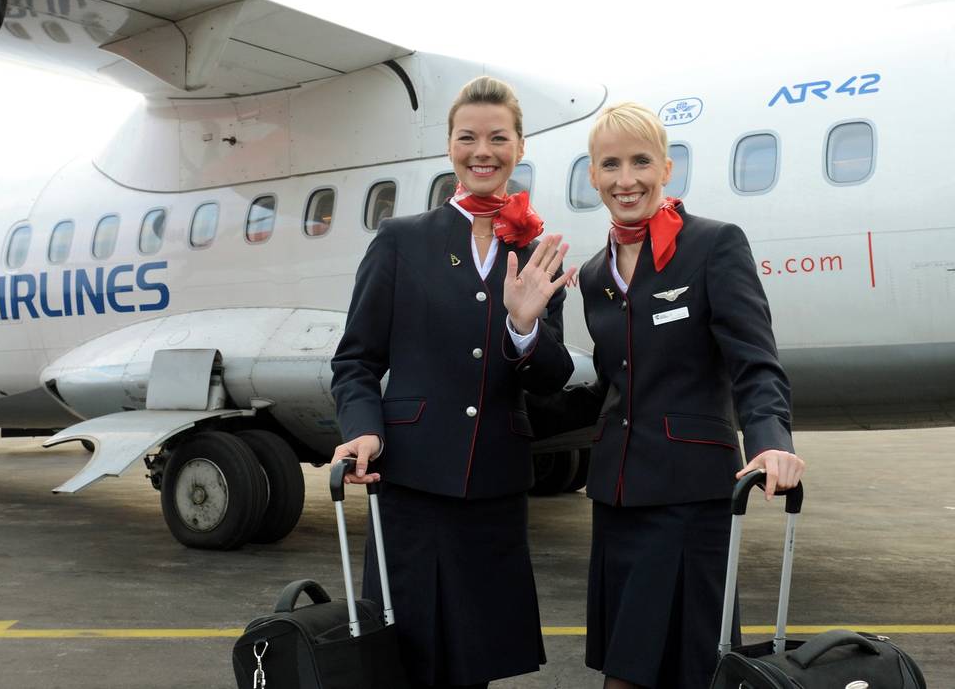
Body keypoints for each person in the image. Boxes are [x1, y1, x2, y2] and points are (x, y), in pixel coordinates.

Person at [329, 75, 577, 689]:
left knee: (475, 665)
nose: (482, 151)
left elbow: (552, 378)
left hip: (494, 488)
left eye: (498, 138)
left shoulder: (539, 252)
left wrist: (525, 326)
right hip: (412, 484)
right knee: (404, 662)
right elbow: (356, 360)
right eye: (468, 137)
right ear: (450, 147)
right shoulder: (402, 240)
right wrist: (364, 430)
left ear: (520, 147)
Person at [571, 102, 806, 689]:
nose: (626, 179)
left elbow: (754, 361)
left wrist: (771, 441)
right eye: (610, 165)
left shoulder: (713, 245)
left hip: (689, 494)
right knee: (628, 668)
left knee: (684, 671)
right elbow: (611, 384)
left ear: (667, 168)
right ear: (593, 175)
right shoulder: (596, 274)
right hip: (616, 499)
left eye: (641, 161)